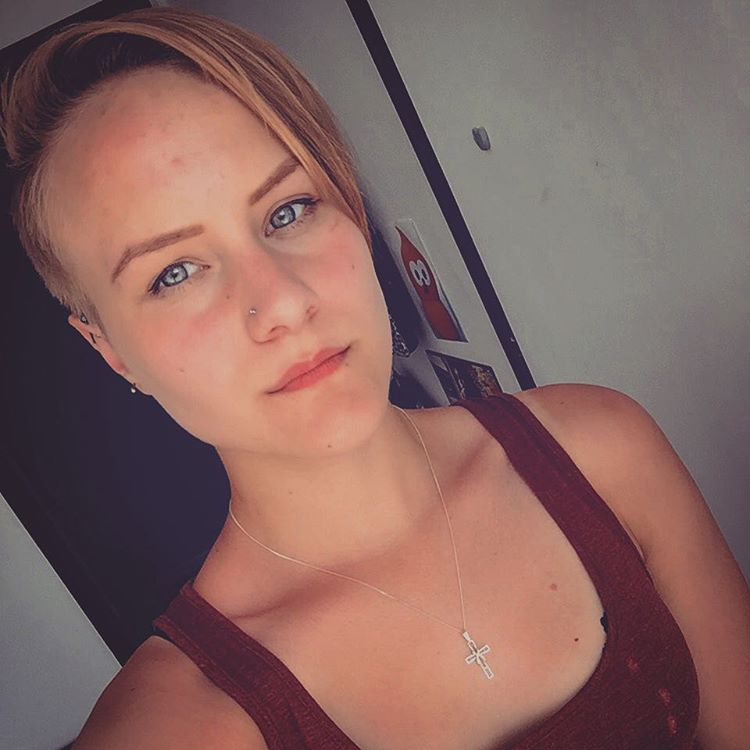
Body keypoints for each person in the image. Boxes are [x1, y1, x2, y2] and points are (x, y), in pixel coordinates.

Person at [1, 7, 748, 749]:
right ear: (111, 351)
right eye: (175, 272)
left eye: (288, 211)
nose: (284, 302)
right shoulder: (177, 725)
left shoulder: (600, 449)